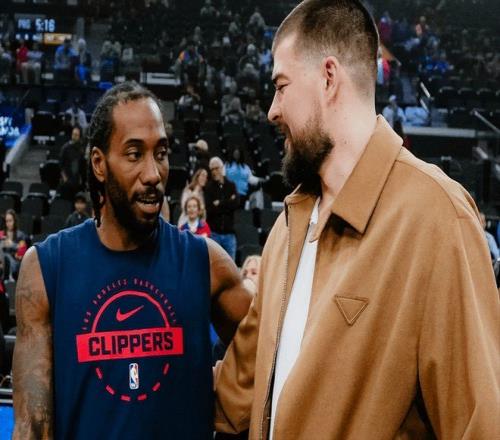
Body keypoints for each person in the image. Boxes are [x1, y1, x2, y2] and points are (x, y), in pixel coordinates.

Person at [214, 1, 499, 439]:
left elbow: (479, 424)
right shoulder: (286, 229)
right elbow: (234, 394)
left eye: (281, 86)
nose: (272, 109)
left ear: (328, 78)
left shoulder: (437, 217)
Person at [12, 81, 251, 439]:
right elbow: (32, 427)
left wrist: (219, 398)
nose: (153, 174)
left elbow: (268, 357)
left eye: (161, 153)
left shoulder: (206, 262)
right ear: (99, 164)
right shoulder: (46, 269)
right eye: (134, 154)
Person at [205, 156, 239, 261]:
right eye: (212, 169)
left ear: (222, 168)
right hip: (214, 234)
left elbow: (236, 204)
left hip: (229, 234)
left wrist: (219, 203)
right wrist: (228, 202)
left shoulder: (231, 185)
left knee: (231, 266)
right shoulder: (208, 188)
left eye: (216, 168)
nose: (214, 172)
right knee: (214, 266)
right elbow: (210, 209)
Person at [59, 125, 86, 201]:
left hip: (77, 182)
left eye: (76, 135)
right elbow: (61, 165)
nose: (74, 136)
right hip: (67, 181)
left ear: (79, 136)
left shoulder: (81, 149)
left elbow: (82, 166)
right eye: (73, 134)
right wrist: (65, 178)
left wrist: (82, 180)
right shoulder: (65, 148)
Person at [0, 209, 27, 280]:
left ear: (14, 221)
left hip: (14, 262)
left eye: (10, 221)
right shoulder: (1, 234)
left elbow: (22, 253)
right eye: (6, 221)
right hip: (1, 261)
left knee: (6, 257)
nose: (8, 223)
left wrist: (12, 245)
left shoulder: (20, 235)